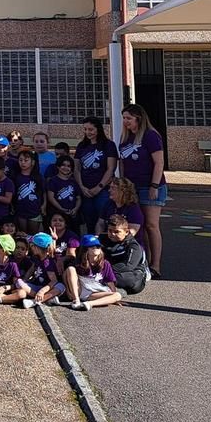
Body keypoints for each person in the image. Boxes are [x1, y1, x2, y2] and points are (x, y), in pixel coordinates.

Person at [119, 103, 166, 278]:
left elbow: (159, 162)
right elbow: (122, 162)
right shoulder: (125, 138)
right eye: (124, 118)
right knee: (138, 225)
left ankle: (156, 265)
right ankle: (142, 261)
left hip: (150, 186)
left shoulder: (150, 136)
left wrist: (154, 185)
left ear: (138, 118)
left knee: (151, 225)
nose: (126, 122)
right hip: (132, 187)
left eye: (128, 118)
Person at [75, 116, 118, 235]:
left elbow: (111, 168)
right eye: (85, 129)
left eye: (90, 129)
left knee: (104, 220)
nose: (88, 132)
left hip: (103, 190)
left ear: (98, 129)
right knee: (90, 221)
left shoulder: (108, 145)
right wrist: (82, 187)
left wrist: (99, 187)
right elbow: (77, 168)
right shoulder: (82, 146)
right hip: (85, 191)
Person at [63, 235, 123, 311]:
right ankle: (76, 300)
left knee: (117, 295)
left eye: (98, 246)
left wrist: (114, 299)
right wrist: (69, 292)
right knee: (70, 269)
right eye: (92, 247)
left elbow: (110, 282)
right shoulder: (78, 263)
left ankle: (89, 304)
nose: (96, 248)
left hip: (95, 292)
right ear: (85, 249)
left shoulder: (105, 263)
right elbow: (66, 275)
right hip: (81, 290)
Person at [102, 215, 149, 295]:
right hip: (110, 270)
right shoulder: (103, 239)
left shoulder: (133, 246)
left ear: (126, 232)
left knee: (128, 281)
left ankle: (112, 289)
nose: (112, 234)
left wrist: (104, 271)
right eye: (110, 231)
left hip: (131, 272)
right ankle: (107, 287)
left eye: (117, 232)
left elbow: (128, 266)